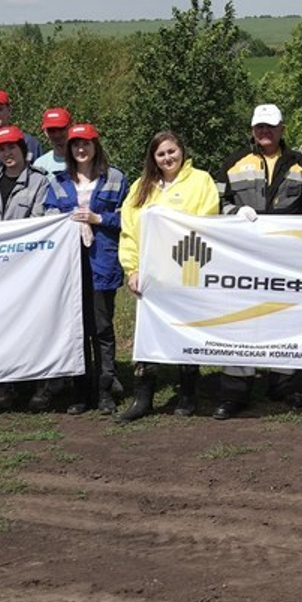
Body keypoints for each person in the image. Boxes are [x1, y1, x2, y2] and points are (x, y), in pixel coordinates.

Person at [214, 103, 302, 415]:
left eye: (270, 126)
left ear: (282, 128)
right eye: (259, 126)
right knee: (241, 322)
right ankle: (236, 392)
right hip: (243, 259)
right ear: (252, 130)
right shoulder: (233, 163)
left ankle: (282, 383)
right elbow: (215, 202)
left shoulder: (300, 164)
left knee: (284, 319)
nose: (264, 131)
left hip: (288, 259)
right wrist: (234, 212)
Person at [117, 131, 221, 423]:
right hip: (151, 275)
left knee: (186, 329)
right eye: (160, 154)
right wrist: (133, 269)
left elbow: (208, 222)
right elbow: (129, 233)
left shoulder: (201, 181)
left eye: (171, 151)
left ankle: (188, 392)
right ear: (153, 158)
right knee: (147, 333)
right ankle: (142, 396)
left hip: (187, 269)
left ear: (182, 151)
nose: (167, 158)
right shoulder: (141, 188)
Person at [45, 123, 127, 415]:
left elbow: (127, 219)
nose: (81, 149)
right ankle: (81, 392)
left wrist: (97, 218)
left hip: (102, 262)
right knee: (76, 330)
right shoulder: (56, 182)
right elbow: (47, 219)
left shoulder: (116, 178)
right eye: (75, 144)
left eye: (87, 143)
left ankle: (105, 390)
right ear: (69, 149)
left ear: (96, 146)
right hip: (68, 266)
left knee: (102, 328)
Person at [0, 125, 52, 412]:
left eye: (12, 148)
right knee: (2, 325)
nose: (8, 153)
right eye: (2, 149)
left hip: (31, 267)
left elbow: (44, 220)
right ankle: (5, 386)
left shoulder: (40, 183)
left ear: (23, 150)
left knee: (34, 324)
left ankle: (40, 387)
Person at [33, 106, 71, 178]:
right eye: (52, 130)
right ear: (45, 133)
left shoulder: (84, 161)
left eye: (61, 129)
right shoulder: (40, 165)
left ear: (70, 127)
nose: (57, 135)